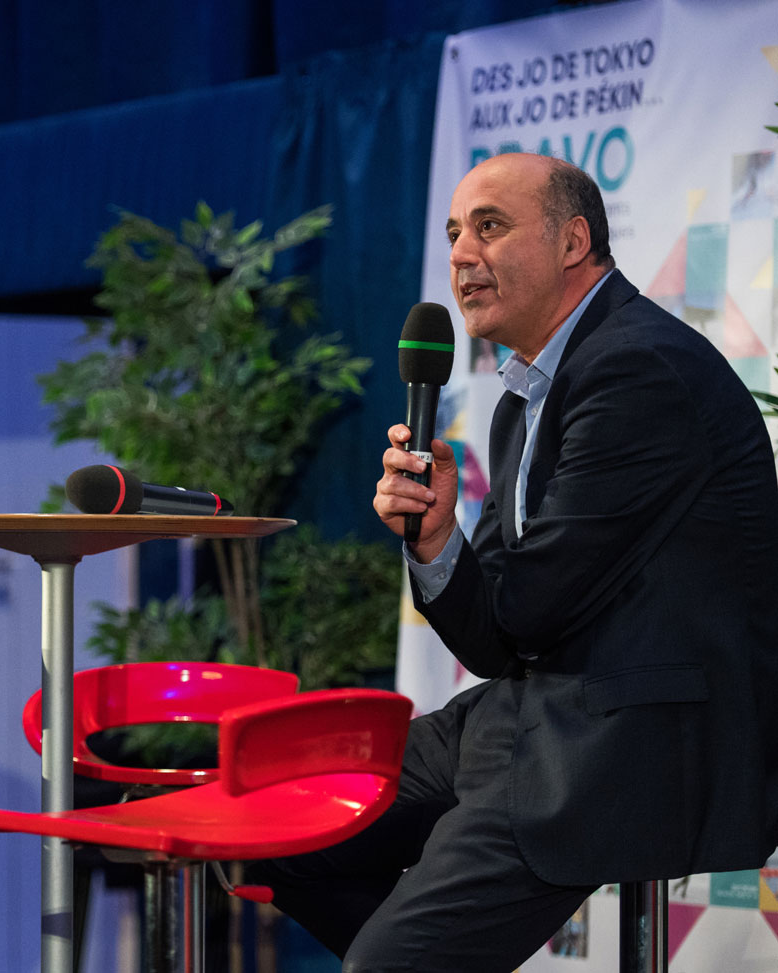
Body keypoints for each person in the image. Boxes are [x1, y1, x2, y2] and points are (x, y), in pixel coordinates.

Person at [249, 152, 778, 971]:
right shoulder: (527, 396)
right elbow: (496, 641)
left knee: (388, 962)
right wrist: (434, 539)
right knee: (272, 824)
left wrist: (461, 553)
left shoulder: (636, 371)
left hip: (629, 741)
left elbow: (528, 610)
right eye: (456, 232)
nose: (461, 254)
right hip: (530, 713)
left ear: (573, 241)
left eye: (489, 227)